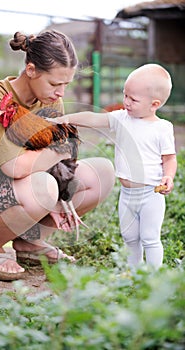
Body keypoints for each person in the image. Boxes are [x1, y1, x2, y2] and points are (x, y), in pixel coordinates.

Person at [0, 30, 115, 281]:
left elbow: (63, 158)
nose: (61, 92)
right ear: (30, 70)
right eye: (54, 83)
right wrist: (57, 153)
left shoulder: (51, 101)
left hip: (29, 187)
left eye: (66, 84)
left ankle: (29, 243)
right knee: (45, 185)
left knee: (102, 172)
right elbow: (13, 168)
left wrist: (63, 186)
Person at [51, 63, 177, 269]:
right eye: (125, 95)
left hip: (151, 193)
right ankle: (133, 271)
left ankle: (153, 276)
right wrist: (67, 118)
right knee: (129, 237)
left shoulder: (162, 128)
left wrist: (169, 176)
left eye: (133, 99)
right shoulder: (121, 118)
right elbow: (94, 118)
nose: (126, 102)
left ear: (154, 104)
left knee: (150, 237)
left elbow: (169, 159)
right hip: (127, 194)